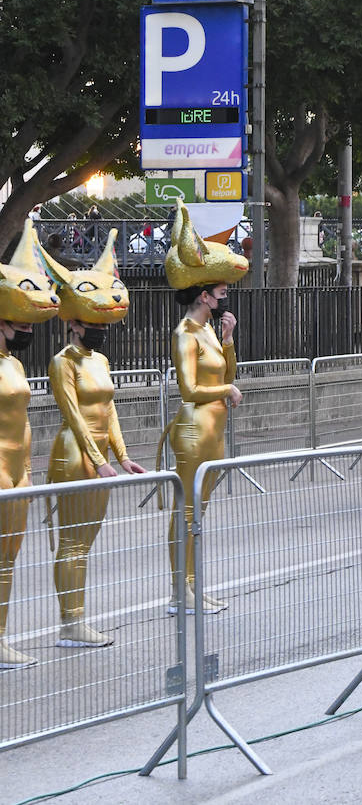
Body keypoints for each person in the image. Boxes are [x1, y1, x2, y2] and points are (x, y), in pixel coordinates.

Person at [41, 230, 147, 647]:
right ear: (73, 322)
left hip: (100, 453)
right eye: (93, 322)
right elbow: (73, 413)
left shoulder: (100, 359)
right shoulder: (61, 362)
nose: (100, 328)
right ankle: (70, 623)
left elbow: (110, 410)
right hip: (74, 453)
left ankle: (77, 618)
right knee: (72, 542)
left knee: (86, 541)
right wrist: (96, 458)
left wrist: (120, 456)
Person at [163, 200, 249, 613]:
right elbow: (190, 388)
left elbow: (226, 372)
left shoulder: (211, 329)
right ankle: (180, 592)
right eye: (221, 291)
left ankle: (193, 586)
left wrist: (229, 339)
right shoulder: (185, 334)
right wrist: (225, 392)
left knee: (199, 517)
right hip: (194, 428)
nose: (225, 296)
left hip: (214, 430)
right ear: (204, 294)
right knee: (187, 513)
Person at [0, 221, 59, 668]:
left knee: (8, 559)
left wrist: (30, 468)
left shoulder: (14, 365)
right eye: (18, 321)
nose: (25, 328)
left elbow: (23, 419)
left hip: (18, 470)